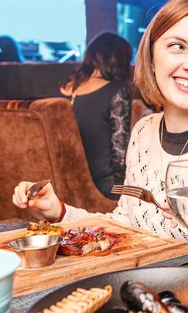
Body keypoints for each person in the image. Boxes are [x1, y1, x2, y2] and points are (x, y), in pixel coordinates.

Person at [13, 0, 188, 258]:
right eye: (177, 46)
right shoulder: (143, 131)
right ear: (151, 55)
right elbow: (126, 223)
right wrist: (59, 212)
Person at [55, 32, 133, 199]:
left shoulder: (63, 90)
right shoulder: (117, 92)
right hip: (101, 187)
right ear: (120, 60)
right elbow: (120, 155)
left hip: (61, 184)